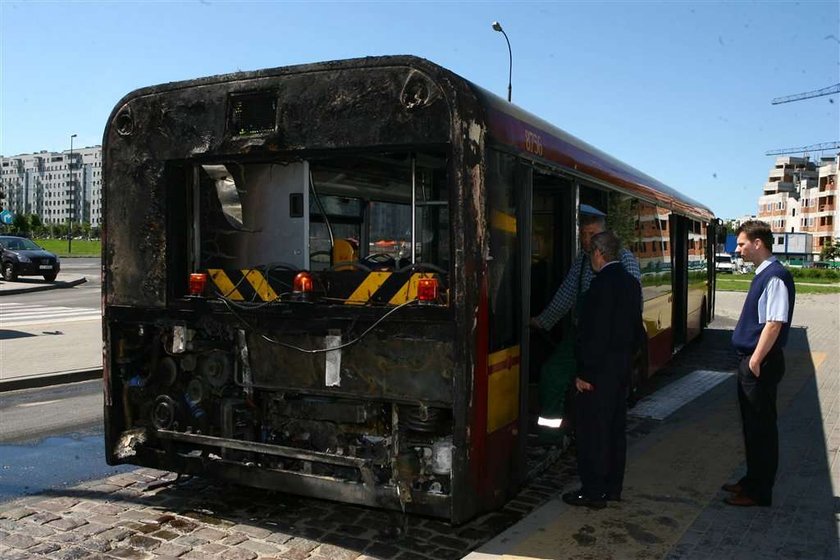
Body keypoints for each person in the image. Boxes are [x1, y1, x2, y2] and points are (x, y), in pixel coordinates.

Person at [530, 205, 641, 434]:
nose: (587, 239)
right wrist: (542, 320)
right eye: (583, 234)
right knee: (552, 374)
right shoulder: (582, 261)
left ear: (603, 235)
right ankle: (552, 432)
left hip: (608, 340)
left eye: (592, 234)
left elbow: (632, 306)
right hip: (581, 335)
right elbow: (567, 293)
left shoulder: (625, 260)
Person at [562, 231, 644, 509]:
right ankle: (612, 487)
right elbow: (637, 333)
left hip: (597, 375)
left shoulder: (598, 288)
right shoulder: (632, 284)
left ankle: (593, 491)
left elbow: (594, 337)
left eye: (590, 254)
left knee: (592, 434)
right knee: (615, 432)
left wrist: (584, 373)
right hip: (621, 371)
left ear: (598, 253)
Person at [723, 220, 795, 507]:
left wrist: (754, 361)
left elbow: (774, 323)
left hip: (760, 364)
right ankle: (751, 481)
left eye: (741, 244)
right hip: (755, 363)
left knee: (762, 429)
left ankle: (759, 492)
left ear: (757, 244)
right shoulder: (764, 274)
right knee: (752, 428)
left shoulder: (775, 276)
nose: (738, 249)